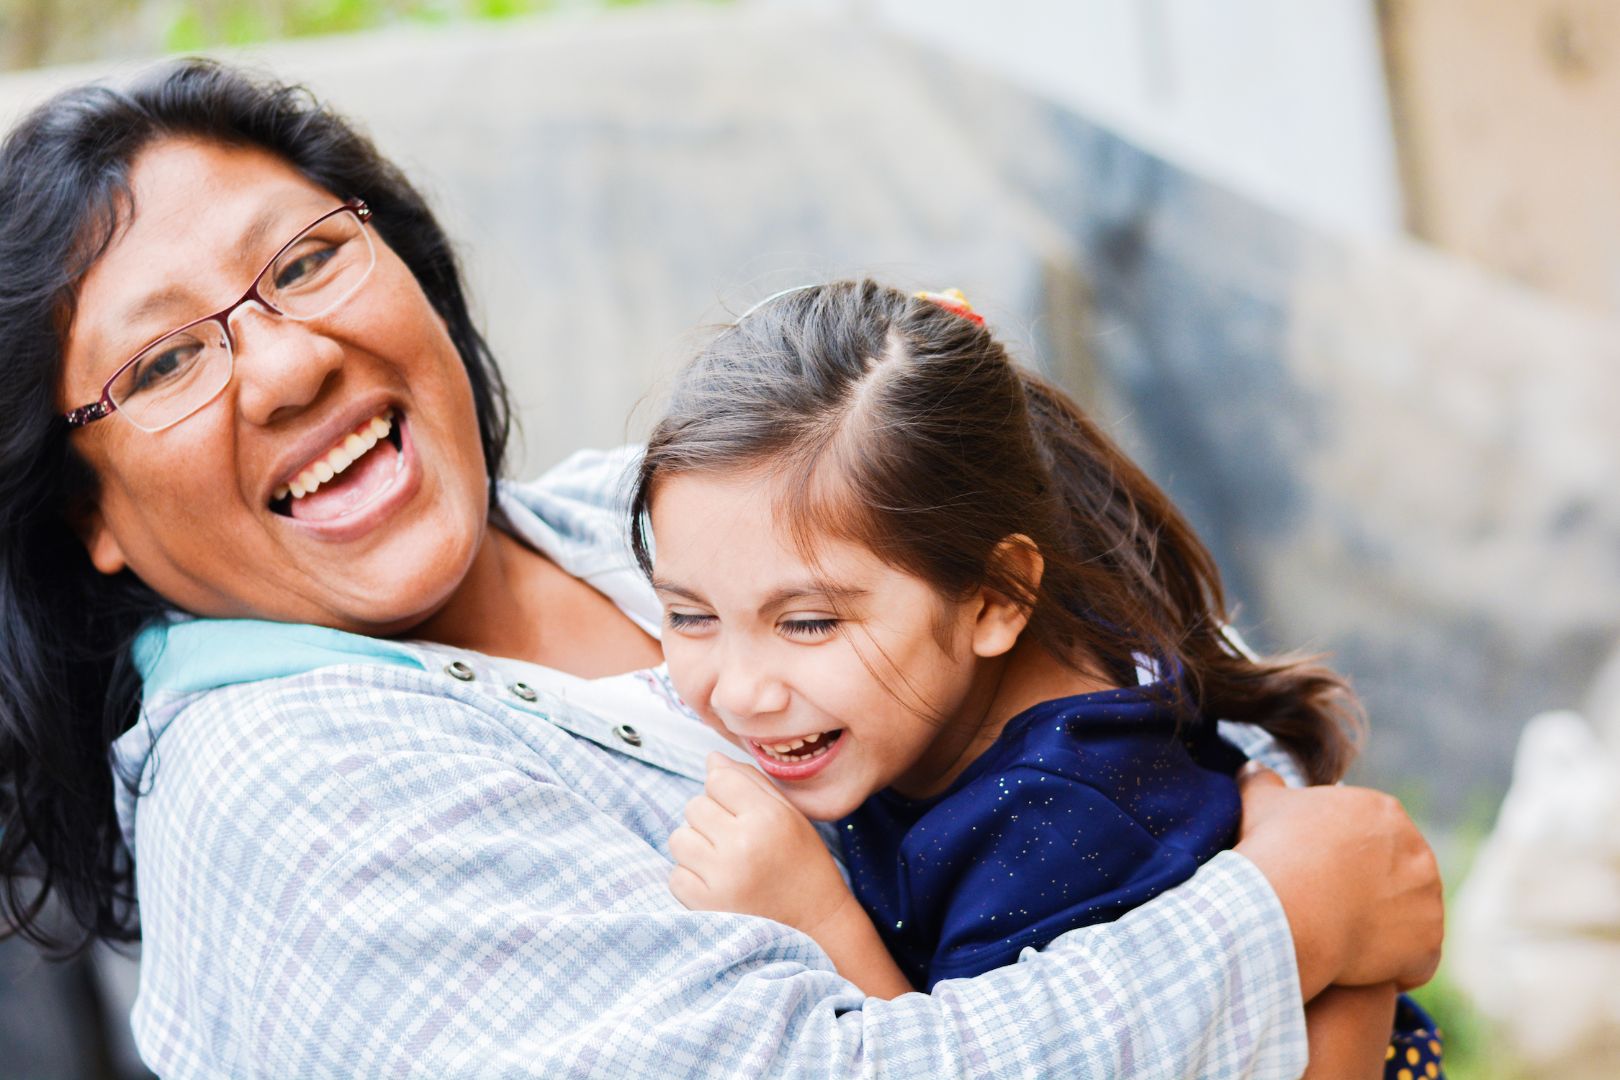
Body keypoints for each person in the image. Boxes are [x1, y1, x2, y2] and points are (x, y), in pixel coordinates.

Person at [0, 59, 1442, 1078]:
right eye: (169, 359)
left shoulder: (633, 512)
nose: (292, 359)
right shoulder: (292, 797)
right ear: (90, 517)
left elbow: (1164, 685)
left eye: (306, 262)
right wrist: (1285, 929)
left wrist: (1292, 864)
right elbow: (1316, 864)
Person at [633, 280, 1444, 1078]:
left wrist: (818, 916)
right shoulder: (1018, 666)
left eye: (808, 623)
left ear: (996, 597)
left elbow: (979, 1057)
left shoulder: (1054, 821)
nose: (740, 692)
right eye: (690, 616)